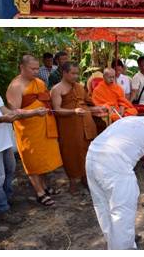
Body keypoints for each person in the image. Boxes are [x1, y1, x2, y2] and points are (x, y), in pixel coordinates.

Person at [86, 106, 144, 249]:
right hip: (115, 165)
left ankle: (116, 243)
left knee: (103, 207)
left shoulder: (128, 120)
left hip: (92, 158)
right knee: (122, 215)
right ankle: (123, 247)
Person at [5, 54, 62, 206]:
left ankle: (45, 186)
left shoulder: (39, 82)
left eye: (37, 68)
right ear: (22, 68)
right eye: (32, 69)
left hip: (44, 127)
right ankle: (39, 192)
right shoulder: (15, 86)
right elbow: (13, 112)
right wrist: (34, 112)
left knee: (43, 160)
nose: (36, 71)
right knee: (32, 162)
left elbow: (45, 99)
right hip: (28, 131)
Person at [0, 56, 42, 222]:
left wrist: (18, 114)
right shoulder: (15, 85)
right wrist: (3, 119)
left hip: (3, 138)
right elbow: (1, 116)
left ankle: (6, 199)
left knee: (10, 171)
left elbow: (4, 109)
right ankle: (2, 210)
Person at [50, 61, 104, 194]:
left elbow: (87, 104)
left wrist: (96, 108)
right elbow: (56, 110)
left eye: (77, 73)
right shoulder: (57, 89)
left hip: (87, 125)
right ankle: (73, 184)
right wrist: (73, 112)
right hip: (70, 128)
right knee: (71, 154)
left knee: (89, 152)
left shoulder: (80, 87)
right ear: (64, 73)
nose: (76, 76)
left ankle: (87, 180)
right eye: (73, 73)